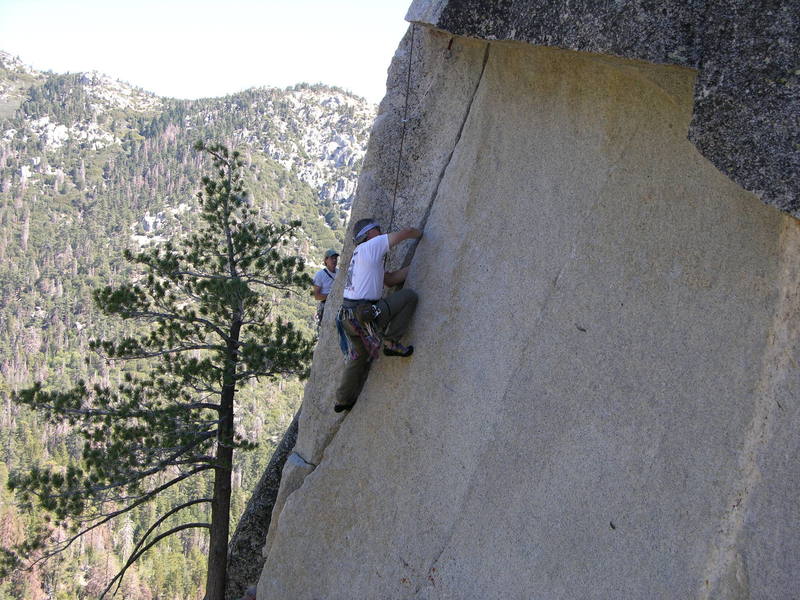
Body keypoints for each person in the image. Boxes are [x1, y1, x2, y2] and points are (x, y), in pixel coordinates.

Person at [334, 217, 422, 413]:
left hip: (348, 317)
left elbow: (390, 280)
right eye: (377, 229)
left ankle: (343, 400)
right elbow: (407, 231)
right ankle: (391, 342)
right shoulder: (371, 246)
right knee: (409, 297)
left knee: (359, 357)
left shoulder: (361, 255)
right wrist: (423, 234)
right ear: (369, 234)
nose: (381, 231)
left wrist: (417, 267)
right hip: (363, 315)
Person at [312, 248, 339, 326]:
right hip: (326, 307)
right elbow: (316, 296)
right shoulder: (320, 275)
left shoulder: (340, 272)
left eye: (335, 258)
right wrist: (331, 296)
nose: (334, 260)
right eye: (332, 258)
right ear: (326, 260)